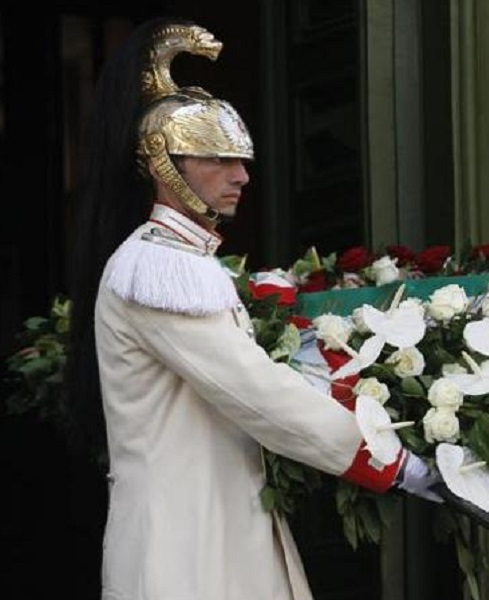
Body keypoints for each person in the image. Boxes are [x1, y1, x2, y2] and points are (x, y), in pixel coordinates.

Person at [66, 17, 437, 600]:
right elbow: (252, 389)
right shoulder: (158, 268)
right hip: (186, 550)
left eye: (241, 159)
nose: (241, 175)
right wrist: (388, 458)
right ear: (167, 163)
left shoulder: (183, 260)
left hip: (218, 527)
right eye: (218, 159)